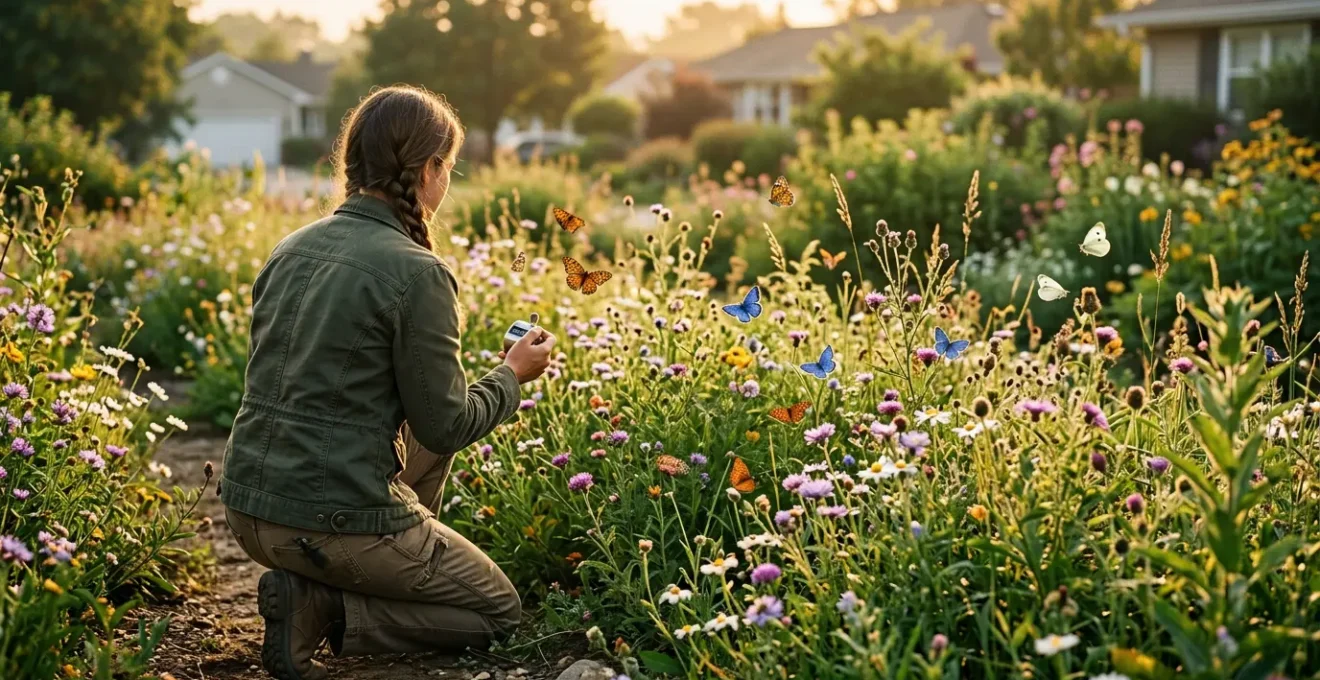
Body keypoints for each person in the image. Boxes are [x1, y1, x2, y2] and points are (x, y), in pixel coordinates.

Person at [219, 85, 556, 680]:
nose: (446, 180)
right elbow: (447, 422)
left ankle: (339, 580)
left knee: (427, 435)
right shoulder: (417, 270)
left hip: (248, 508)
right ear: (428, 169)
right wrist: (511, 375)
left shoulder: (290, 248)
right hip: (329, 520)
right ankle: (323, 607)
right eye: (446, 166)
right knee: (498, 611)